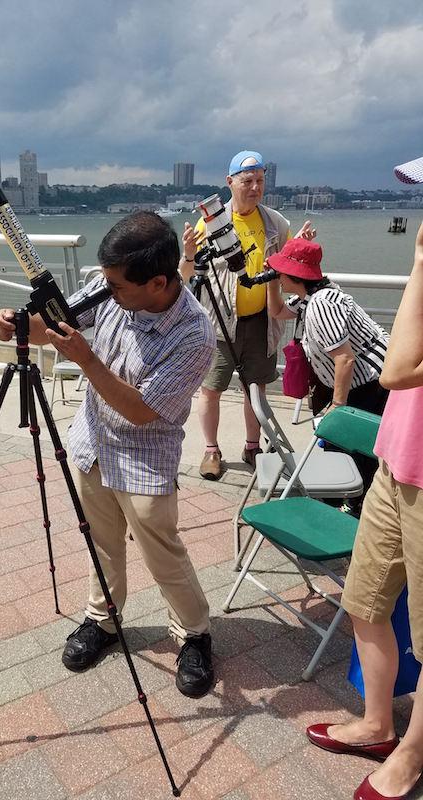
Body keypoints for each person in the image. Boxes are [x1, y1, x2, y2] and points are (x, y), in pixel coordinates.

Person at [0, 211, 217, 698]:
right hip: (92, 445)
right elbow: (55, 318)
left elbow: (140, 410)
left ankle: (194, 633)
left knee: (163, 555)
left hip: (145, 456)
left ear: (159, 282)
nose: (105, 290)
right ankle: (103, 619)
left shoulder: (194, 334)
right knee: (100, 543)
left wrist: (86, 359)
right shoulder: (111, 287)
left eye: (116, 285)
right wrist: (15, 321)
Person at [305, 215, 423, 800]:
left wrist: (421, 265)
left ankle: (413, 753)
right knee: (365, 598)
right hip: (395, 460)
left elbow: (398, 368)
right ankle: (378, 724)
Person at [180, 150, 315, 480]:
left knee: (256, 387)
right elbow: (184, 276)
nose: (255, 187)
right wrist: (188, 254)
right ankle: (211, 451)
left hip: (261, 321)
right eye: (247, 181)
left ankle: (252, 447)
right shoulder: (211, 222)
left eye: (260, 181)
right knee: (211, 388)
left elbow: (287, 267)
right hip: (220, 322)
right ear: (230, 182)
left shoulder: (275, 223)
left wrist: (297, 246)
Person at [267, 238, 389, 505]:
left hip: (370, 385)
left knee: (353, 451)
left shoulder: (321, 305)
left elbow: (344, 358)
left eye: (281, 271)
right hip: (364, 383)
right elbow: (277, 311)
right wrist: (272, 284)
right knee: (347, 450)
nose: (278, 274)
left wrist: (338, 407)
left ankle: (349, 509)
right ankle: (346, 503)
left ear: (294, 275)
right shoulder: (310, 296)